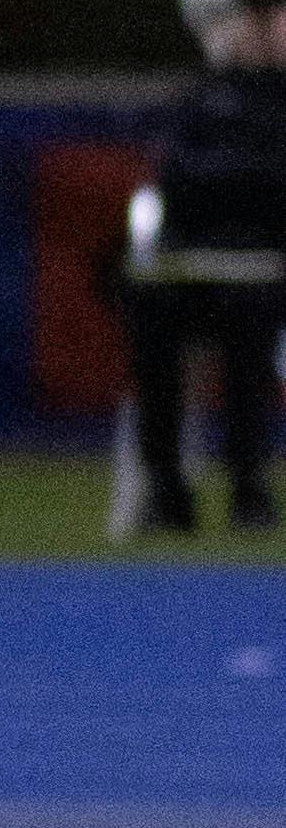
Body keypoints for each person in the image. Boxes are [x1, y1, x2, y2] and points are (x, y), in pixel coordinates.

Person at [111, 61, 286, 540]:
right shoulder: (199, 97)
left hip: (262, 271)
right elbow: (171, 173)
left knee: (249, 370)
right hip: (186, 267)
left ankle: (249, 491)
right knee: (153, 342)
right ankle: (166, 492)